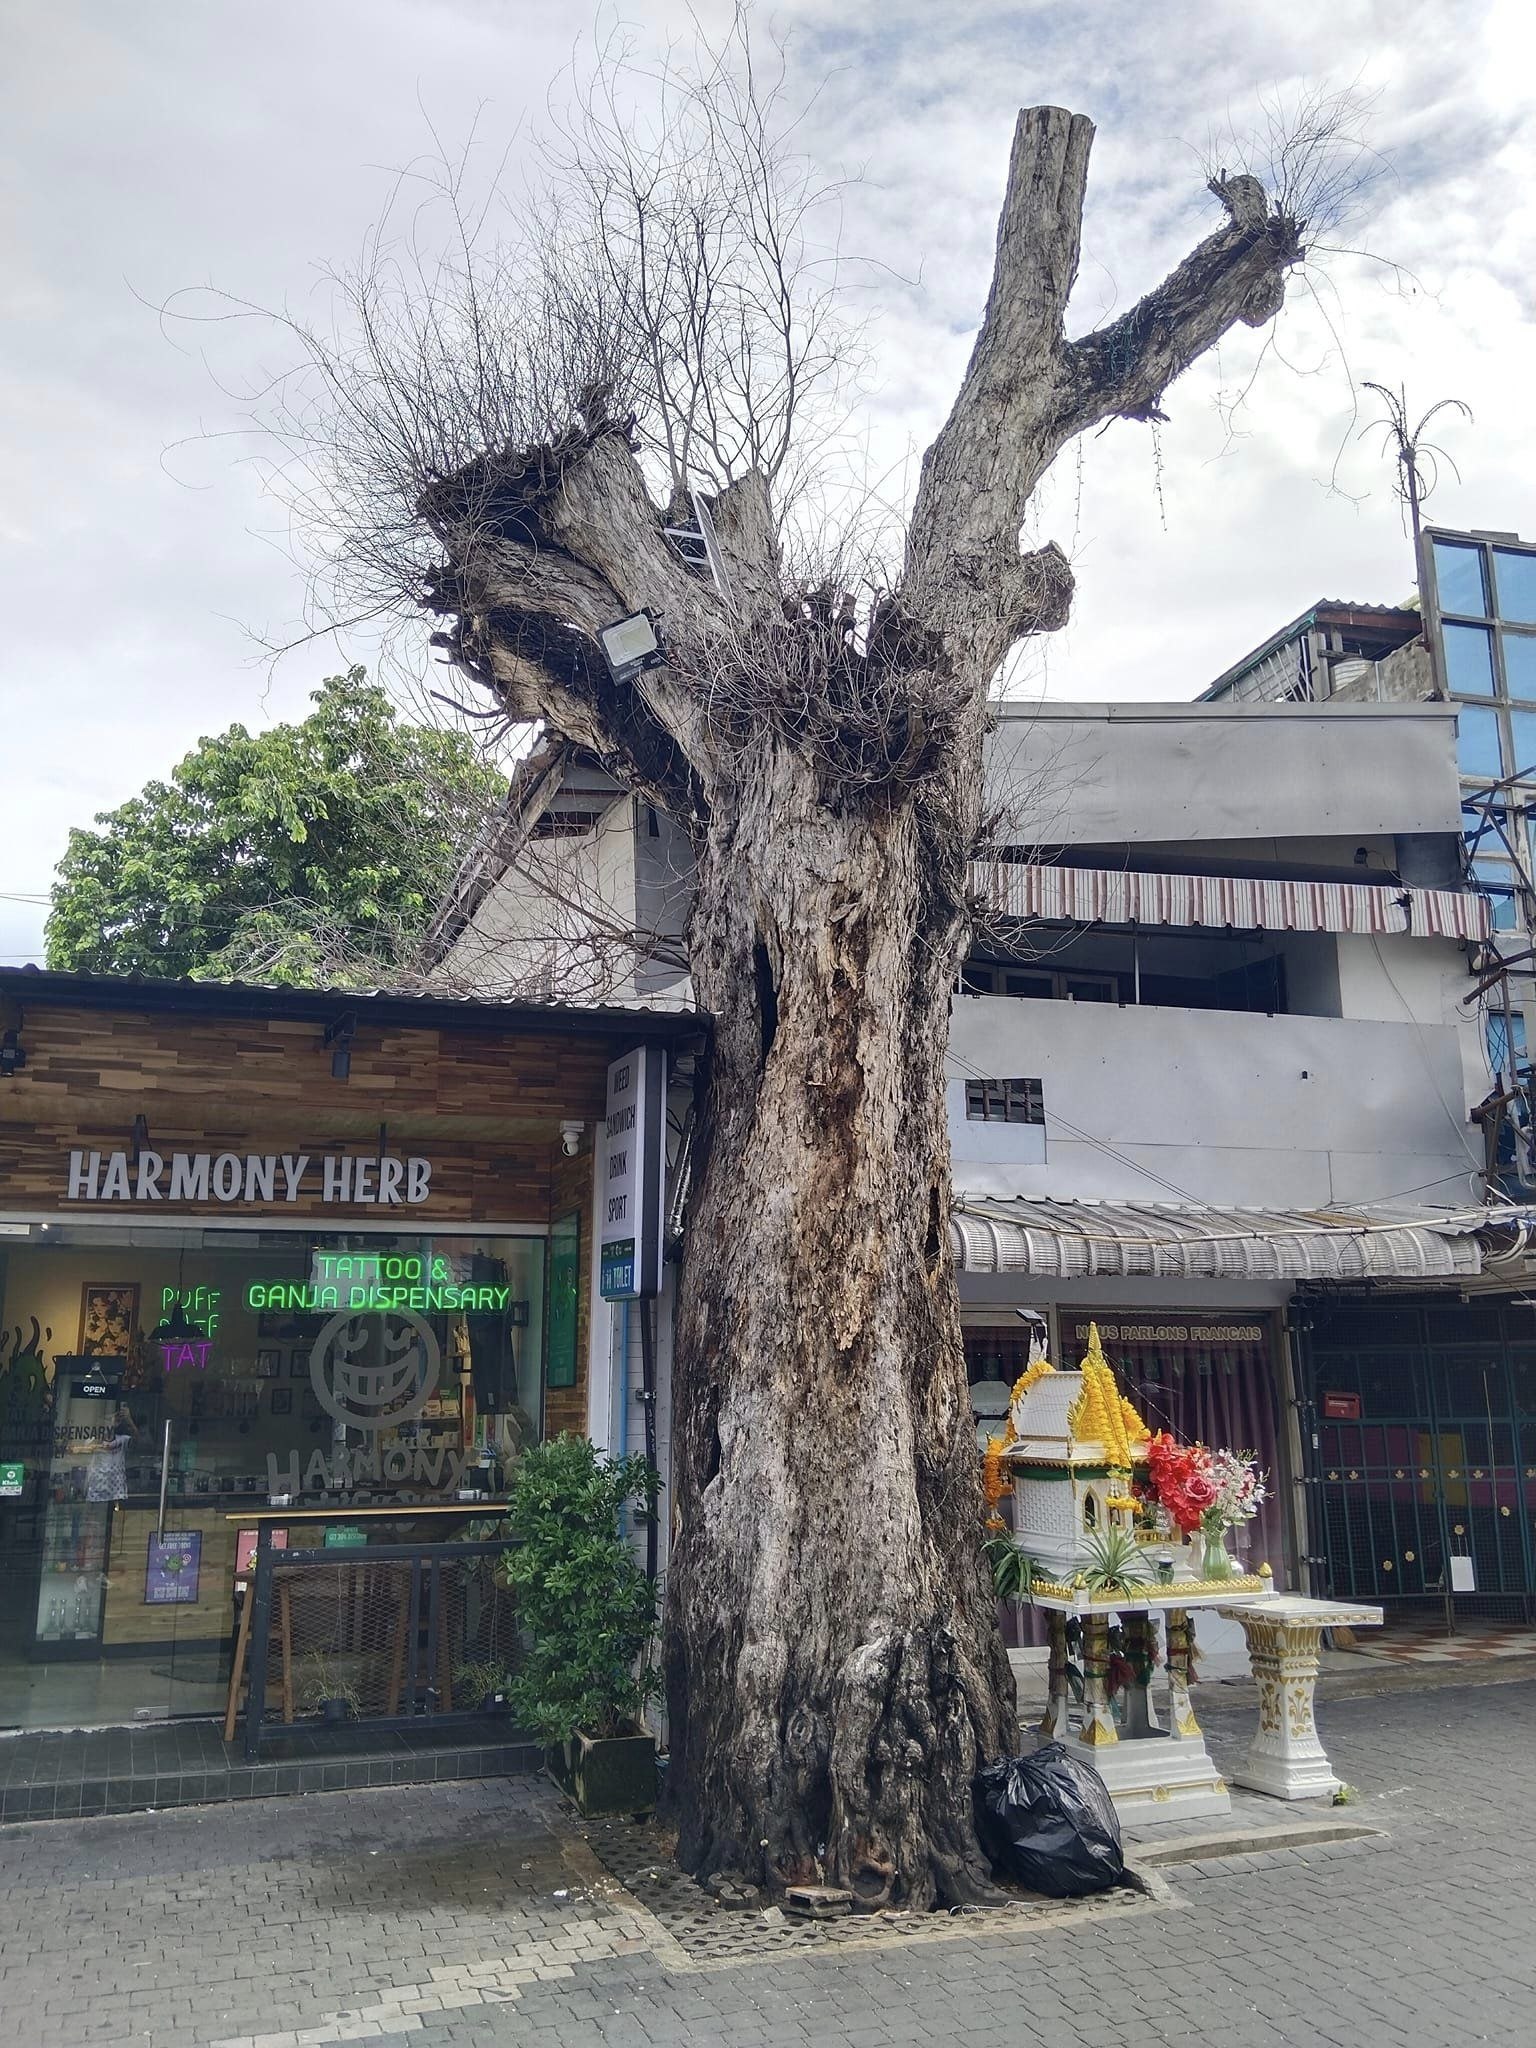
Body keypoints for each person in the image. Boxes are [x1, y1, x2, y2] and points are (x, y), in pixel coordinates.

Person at [84, 1402, 140, 1503]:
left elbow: (137, 1440)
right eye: (107, 1419)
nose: (111, 1422)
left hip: (116, 1492)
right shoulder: (92, 1440)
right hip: (97, 1490)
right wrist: (107, 1422)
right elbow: (93, 1445)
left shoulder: (122, 1440)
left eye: (113, 1419)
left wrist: (129, 1420)